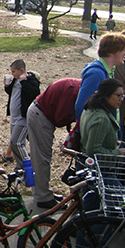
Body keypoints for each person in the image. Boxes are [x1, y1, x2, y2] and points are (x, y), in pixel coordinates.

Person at [26, 78, 81, 209]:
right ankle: (43, 197)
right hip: (40, 115)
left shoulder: (76, 86)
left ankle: (44, 192)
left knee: (43, 157)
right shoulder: (73, 91)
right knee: (41, 158)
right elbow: (60, 118)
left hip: (41, 113)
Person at [74, 32, 125, 121]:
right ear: (111, 52)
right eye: (124, 50)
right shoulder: (96, 74)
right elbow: (82, 106)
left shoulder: (109, 72)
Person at [4, 59, 40, 171]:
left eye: (14, 71)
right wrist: (7, 85)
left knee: (17, 143)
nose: (12, 74)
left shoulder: (30, 80)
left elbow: (35, 93)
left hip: (23, 118)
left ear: (21, 70)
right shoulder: (15, 80)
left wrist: (24, 82)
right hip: (14, 118)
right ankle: (20, 168)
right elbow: (12, 93)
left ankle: (28, 167)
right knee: (15, 143)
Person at [79, 78, 125, 157]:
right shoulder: (101, 119)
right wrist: (118, 152)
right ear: (106, 95)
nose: (121, 99)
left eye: (123, 96)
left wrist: (114, 141)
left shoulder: (91, 109)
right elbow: (93, 150)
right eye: (118, 95)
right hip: (99, 166)